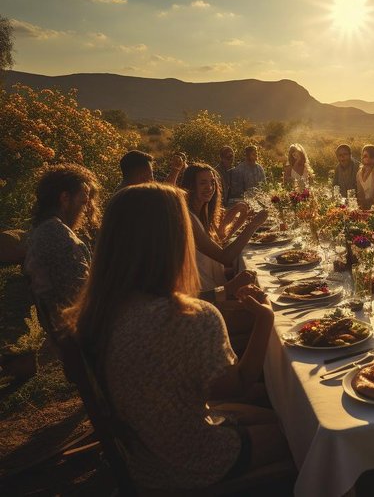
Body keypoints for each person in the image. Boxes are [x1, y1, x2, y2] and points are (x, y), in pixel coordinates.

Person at [65, 183, 289, 490]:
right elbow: (236, 387)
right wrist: (264, 320)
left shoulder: (100, 310)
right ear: (173, 239)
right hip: (189, 461)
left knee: (276, 412)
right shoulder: (186, 318)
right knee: (295, 431)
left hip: (146, 451)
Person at [24, 164, 100, 323]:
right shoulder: (58, 236)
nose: (85, 210)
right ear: (65, 198)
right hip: (76, 332)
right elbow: (81, 298)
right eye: (83, 201)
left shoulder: (41, 230)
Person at [180, 164, 266, 293]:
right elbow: (225, 257)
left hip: (215, 286)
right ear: (190, 186)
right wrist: (253, 225)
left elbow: (218, 245)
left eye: (212, 182)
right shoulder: (188, 218)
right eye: (203, 183)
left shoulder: (202, 212)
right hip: (203, 295)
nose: (209, 187)